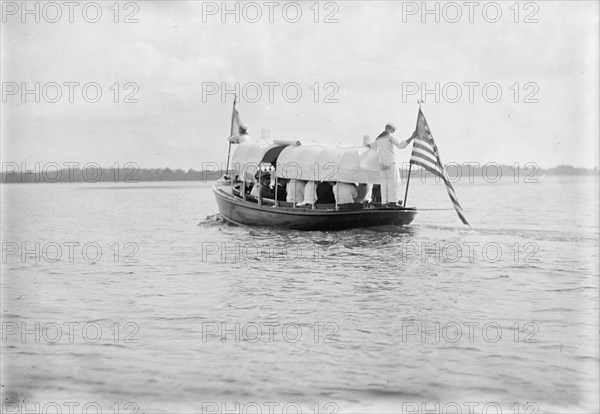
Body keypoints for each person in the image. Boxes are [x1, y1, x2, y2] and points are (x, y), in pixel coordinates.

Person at [370, 123, 415, 204]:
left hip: (381, 162)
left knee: (384, 183)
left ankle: (384, 202)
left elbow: (372, 147)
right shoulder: (390, 136)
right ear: (391, 130)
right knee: (394, 181)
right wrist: (411, 137)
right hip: (390, 161)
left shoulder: (378, 138)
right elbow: (401, 145)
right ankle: (393, 202)